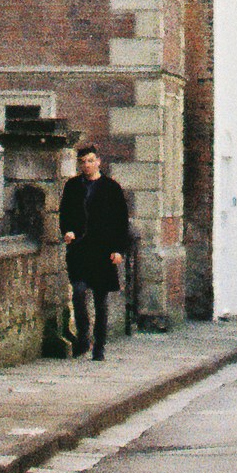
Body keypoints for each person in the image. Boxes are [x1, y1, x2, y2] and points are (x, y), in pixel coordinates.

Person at [59, 141, 131, 361]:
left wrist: (119, 250)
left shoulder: (111, 188)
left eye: (90, 161)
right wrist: (68, 231)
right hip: (80, 249)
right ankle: (83, 336)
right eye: (83, 162)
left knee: (100, 301)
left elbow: (121, 221)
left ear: (98, 162)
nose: (87, 165)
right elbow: (64, 213)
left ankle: (99, 345)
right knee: (79, 292)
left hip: (103, 251)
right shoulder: (72, 186)